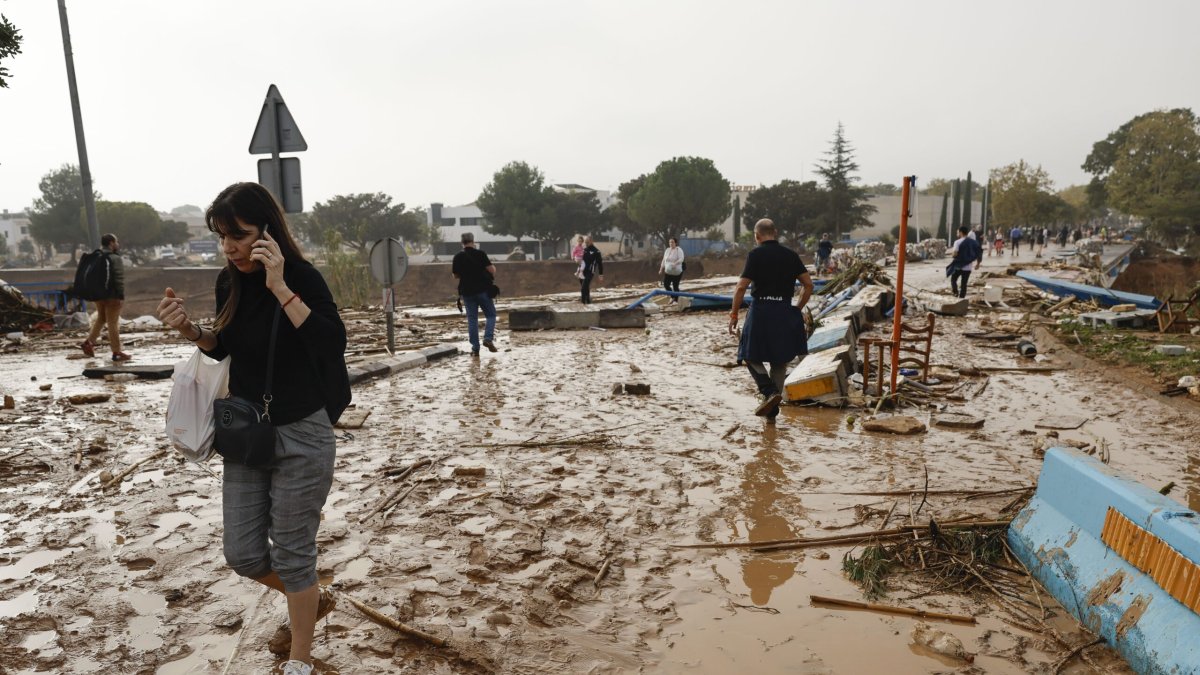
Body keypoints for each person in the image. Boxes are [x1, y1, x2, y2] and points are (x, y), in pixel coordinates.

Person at [155, 182, 350, 675]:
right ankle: (313, 598)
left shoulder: (303, 276)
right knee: (242, 553)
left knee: (292, 553)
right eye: (222, 237)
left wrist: (281, 287)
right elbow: (224, 348)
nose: (229, 248)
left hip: (303, 434)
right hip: (246, 433)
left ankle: (300, 662)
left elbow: (330, 343)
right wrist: (190, 331)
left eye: (237, 236)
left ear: (267, 231)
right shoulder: (230, 281)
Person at [728, 219, 814, 424]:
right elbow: (808, 285)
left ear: (757, 236)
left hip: (761, 311)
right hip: (784, 310)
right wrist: (796, 309)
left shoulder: (755, 255)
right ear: (775, 233)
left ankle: (768, 391)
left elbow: (741, 287)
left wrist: (733, 315)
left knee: (748, 354)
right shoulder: (791, 255)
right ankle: (772, 415)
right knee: (779, 360)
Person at [79, 233, 130, 361]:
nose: (117, 244)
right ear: (111, 243)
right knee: (113, 323)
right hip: (112, 296)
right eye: (116, 242)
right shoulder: (114, 258)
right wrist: (119, 296)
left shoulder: (97, 256)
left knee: (101, 318)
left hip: (98, 295)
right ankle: (116, 352)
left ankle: (89, 342)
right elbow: (118, 278)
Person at [452, 232, 498, 355]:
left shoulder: (458, 257)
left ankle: (475, 348)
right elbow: (492, 270)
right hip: (483, 290)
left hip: (467, 292)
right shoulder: (480, 254)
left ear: (462, 243)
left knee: (472, 320)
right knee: (491, 315)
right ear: (473, 241)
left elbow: (455, 275)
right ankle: (488, 338)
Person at [947, 225, 983, 298]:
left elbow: (955, 254)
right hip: (968, 267)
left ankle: (955, 292)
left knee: (953, 279)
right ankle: (962, 298)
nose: (957, 234)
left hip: (958, 266)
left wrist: (953, 254)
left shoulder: (957, 242)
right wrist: (978, 264)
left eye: (958, 232)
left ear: (961, 232)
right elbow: (979, 252)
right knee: (964, 283)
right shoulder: (973, 242)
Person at [659, 237, 685, 302]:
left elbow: (681, 259)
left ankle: (676, 300)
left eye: (672, 242)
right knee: (666, 284)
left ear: (675, 243)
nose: (671, 243)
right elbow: (664, 260)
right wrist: (661, 269)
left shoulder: (678, 250)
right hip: (668, 271)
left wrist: (675, 263)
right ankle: (672, 297)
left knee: (675, 286)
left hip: (676, 271)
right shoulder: (667, 250)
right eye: (670, 242)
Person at [580, 235, 604, 304]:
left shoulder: (596, 251)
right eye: (585, 242)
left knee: (583, 288)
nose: (586, 243)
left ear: (591, 241)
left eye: (587, 242)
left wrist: (601, 275)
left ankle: (583, 303)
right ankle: (588, 301)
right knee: (586, 287)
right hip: (583, 272)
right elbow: (581, 261)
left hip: (590, 272)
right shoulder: (584, 250)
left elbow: (600, 264)